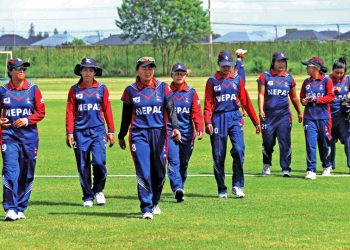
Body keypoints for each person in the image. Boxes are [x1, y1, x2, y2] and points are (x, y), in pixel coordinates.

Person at [118, 56, 181, 219]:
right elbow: (125, 116)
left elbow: (171, 110)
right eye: (144, 68)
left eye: (151, 68)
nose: (148, 71)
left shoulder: (163, 88)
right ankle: (146, 207)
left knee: (160, 172)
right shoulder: (130, 90)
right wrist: (121, 135)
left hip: (160, 134)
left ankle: (155, 202)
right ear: (138, 70)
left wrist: (175, 128)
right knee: (144, 171)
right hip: (139, 135)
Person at [204, 50, 261, 199]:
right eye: (223, 65)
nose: (226, 68)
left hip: (235, 117)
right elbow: (208, 103)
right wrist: (208, 121)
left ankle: (237, 185)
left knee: (239, 149)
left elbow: (246, 101)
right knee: (218, 155)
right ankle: (222, 188)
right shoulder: (212, 81)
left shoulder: (236, 79)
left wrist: (256, 122)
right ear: (219, 64)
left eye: (229, 65)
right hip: (218, 119)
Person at [66, 57, 115, 207]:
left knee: (99, 162)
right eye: (85, 70)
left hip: (98, 132)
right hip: (80, 132)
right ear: (80, 72)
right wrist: (69, 133)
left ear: (95, 72)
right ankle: (87, 196)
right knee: (82, 165)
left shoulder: (102, 89)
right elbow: (70, 112)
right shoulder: (74, 90)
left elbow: (107, 110)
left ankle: (98, 191)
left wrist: (111, 131)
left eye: (91, 70)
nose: (88, 73)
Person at [0, 58, 45, 221]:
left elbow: (41, 112)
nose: (22, 71)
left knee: (26, 172)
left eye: (24, 68)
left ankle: (20, 207)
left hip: (30, 139)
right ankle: (10, 208)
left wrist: (27, 120)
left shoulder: (33, 89)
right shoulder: (3, 91)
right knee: (10, 170)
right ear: (10, 71)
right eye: (18, 68)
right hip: (9, 137)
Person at [257, 52, 303, 177]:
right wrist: (261, 110)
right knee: (268, 142)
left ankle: (286, 168)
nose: (282, 63)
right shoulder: (265, 76)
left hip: (284, 116)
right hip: (268, 116)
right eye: (279, 61)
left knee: (285, 142)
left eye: (283, 61)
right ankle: (266, 164)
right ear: (273, 62)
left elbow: (293, 97)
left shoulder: (288, 78)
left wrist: (299, 112)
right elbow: (261, 94)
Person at [167, 63, 204, 202]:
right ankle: (177, 187)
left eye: (182, 74)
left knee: (184, 163)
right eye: (176, 73)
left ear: (186, 76)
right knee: (173, 161)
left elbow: (196, 112)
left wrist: (199, 127)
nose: (179, 76)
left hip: (188, 134)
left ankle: (180, 187)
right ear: (172, 75)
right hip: (170, 133)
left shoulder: (191, 92)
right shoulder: (166, 91)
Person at [300, 57, 334, 179]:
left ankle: (327, 166)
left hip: (323, 117)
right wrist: (304, 101)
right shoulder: (306, 82)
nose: (306, 68)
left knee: (324, 143)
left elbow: (331, 97)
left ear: (315, 68)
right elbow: (302, 98)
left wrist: (316, 99)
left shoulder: (326, 81)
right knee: (310, 144)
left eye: (308, 66)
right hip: (309, 117)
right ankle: (311, 170)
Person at [329, 57, 350, 173]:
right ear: (332, 70)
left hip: (343, 116)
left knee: (348, 141)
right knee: (330, 141)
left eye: (341, 72)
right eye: (336, 72)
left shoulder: (348, 80)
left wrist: (348, 101)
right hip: (329, 116)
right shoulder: (327, 80)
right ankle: (329, 166)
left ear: (345, 71)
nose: (338, 75)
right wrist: (332, 91)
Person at [234, 48, 248, 117]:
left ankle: (244, 112)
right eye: (243, 53)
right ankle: (237, 111)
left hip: (242, 83)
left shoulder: (240, 61)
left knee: (241, 97)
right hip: (240, 83)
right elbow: (235, 72)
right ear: (240, 55)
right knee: (241, 97)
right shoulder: (238, 62)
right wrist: (236, 82)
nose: (244, 55)